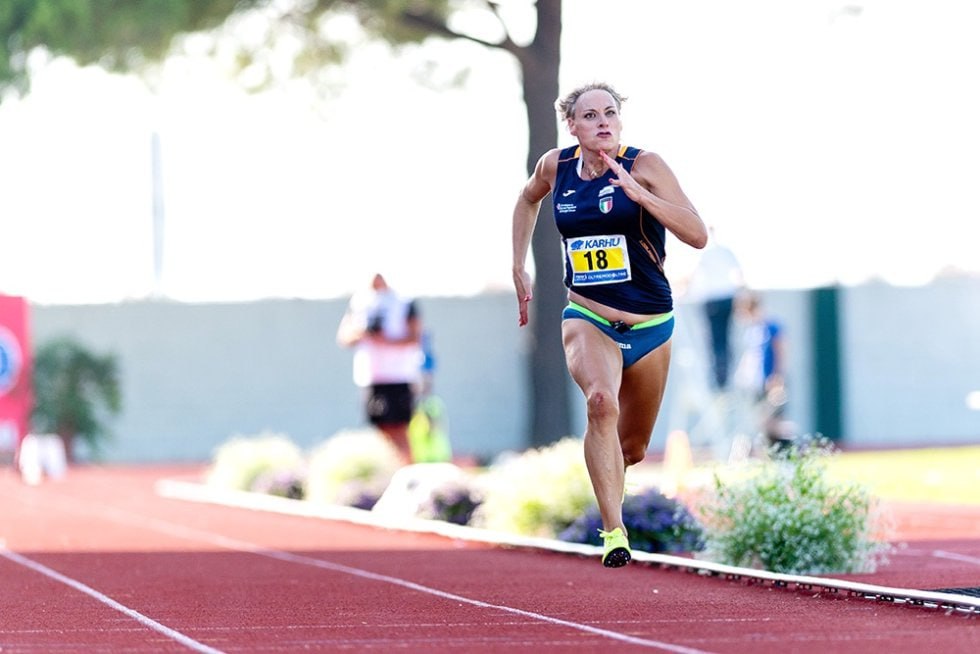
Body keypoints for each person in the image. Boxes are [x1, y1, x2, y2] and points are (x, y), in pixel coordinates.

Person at [511, 82, 707, 567]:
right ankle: (614, 532)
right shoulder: (555, 166)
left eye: (610, 113)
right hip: (588, 315)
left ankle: (613, 489)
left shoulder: (646, 165)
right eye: (590, 115)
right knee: (600, 403)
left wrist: (641, 196)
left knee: (632, 450)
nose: (602, 122)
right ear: (572, 126)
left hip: (651, 323)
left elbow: (697, 234)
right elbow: (527, 199)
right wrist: (518, 263)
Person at [336, 273, 423, 464]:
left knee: (400, 431)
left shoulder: (403, 301)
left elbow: (415, 338)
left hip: (398, 376)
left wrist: (384, 341)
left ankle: (408, 475)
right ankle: (390, 475)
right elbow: (344, 336)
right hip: (371, 377)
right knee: (381, 432)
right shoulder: (360, 301)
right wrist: (362, 334)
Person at [687, 226, 744, 391]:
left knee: (716, 339)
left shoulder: (707, 253)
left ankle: (720, 379)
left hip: (713, 298)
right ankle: (724, 377)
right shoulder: (725, 251)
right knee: (725, 338)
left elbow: (694, 275)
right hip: (726, 296)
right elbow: (738, 274)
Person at [732, 291, 792, 449]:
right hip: (756, 384)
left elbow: (781, 350)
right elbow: (751, 356)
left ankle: (788, 452)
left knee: (773, 420)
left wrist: (778, 376)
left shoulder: (771, 326)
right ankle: (773, 454)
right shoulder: (752, 331)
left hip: (771, 381)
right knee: (762, 422)